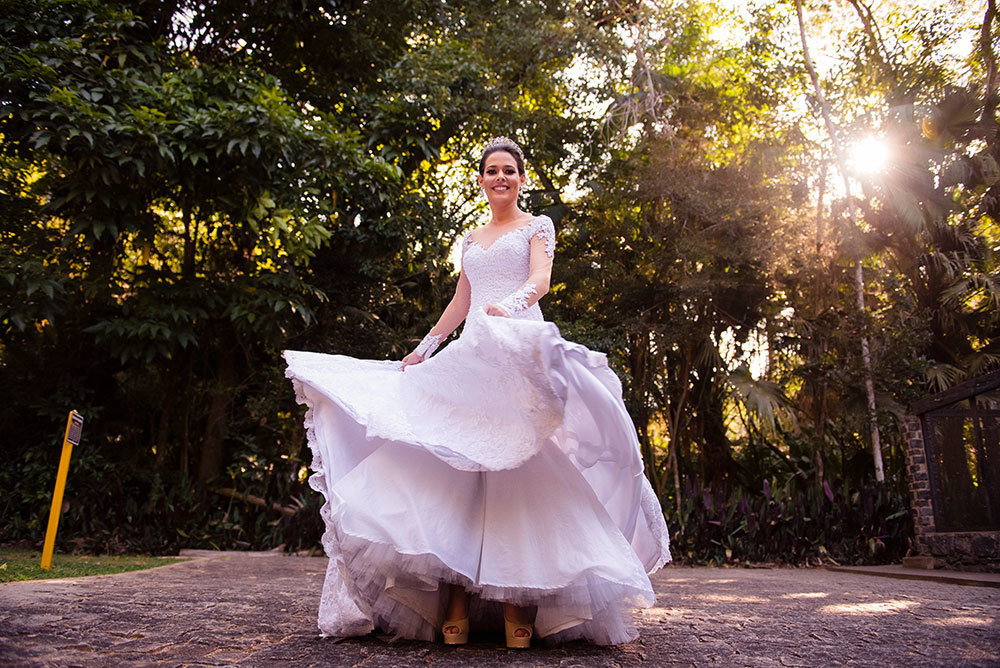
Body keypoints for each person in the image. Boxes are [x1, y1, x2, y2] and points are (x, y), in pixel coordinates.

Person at [283, 137, 671, 648]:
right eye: (492, 171)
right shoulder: (471, 238)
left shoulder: (538, 226)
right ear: (482, 180)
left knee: (520, 467)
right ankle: (456, 601)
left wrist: (507, 308)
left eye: (509, 170)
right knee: (457, 464)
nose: (500, 178)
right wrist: (425, 346)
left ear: (522, 177)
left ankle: (518, 605)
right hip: (472, 352)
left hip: (517, 346)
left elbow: (542, 279)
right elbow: (461, 300)